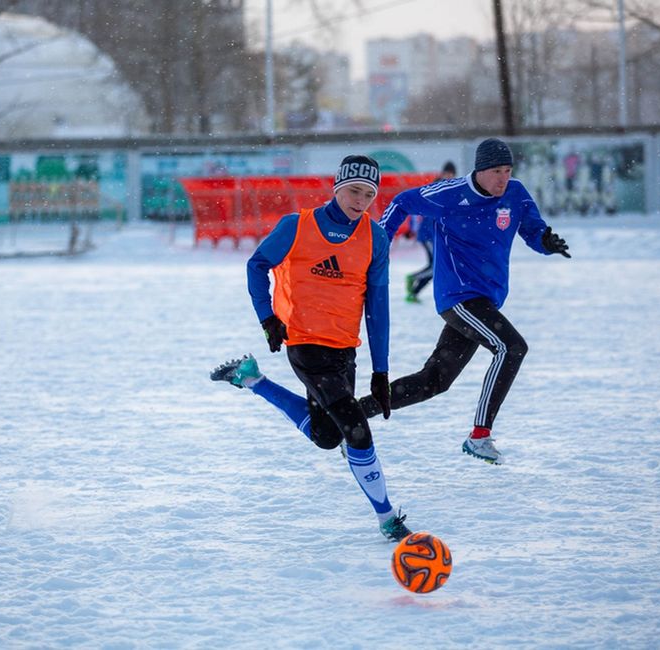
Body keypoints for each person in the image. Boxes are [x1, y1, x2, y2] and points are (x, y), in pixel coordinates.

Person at [210, 155, 413, 542]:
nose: (361, 200)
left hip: (343, 348)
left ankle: (252, 380)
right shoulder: (296, 227)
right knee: (356, 430)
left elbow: (378, 308)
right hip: (304, 343)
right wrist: (268, 318)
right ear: (337, 188)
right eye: (354, 190)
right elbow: (257, 265)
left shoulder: (375, 238)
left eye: (369, 194)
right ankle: (387, 517)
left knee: (326, 435)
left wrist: (381, 371)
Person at [359, 139, 571, 465]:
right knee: (511, 347)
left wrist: (546, 242)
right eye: (497, 171)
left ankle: (355, 413)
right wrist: (378, 244)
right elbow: (402, 201)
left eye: (508, 171)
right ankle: (480, 436)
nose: (504, 178)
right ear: (480, 170)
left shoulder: (515, 194)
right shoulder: (450, 194)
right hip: (458, 297)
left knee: (434, 381)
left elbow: (533, 230)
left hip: (487, 299)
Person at [404, 160, 457, 303]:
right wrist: (412, 229)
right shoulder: (436, 187)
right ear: (443, 173)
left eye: (452, 174)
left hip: (436, 235)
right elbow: (417, 207)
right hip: (428, 234)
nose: (449, 177)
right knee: (435, 266)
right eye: (448, 173)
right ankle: (413, 280)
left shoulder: (451, 189)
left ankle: (414, 292)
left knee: (435, 266)